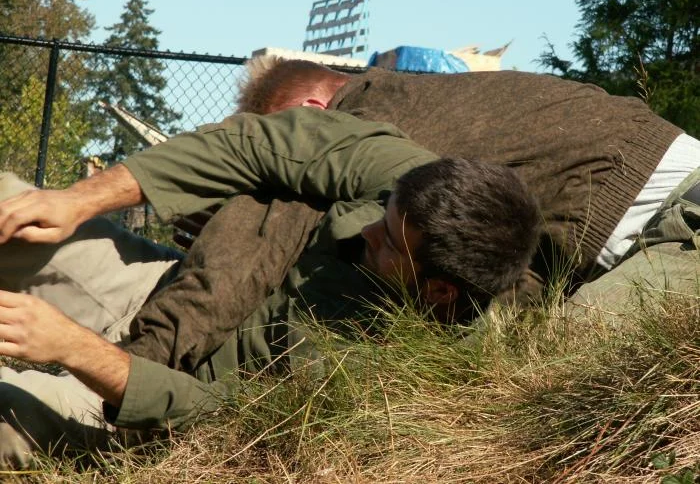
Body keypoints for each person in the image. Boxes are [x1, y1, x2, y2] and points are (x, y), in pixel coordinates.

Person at [0, 107, 540, 464]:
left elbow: (221, 417)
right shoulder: (410, 180)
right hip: (167, 294)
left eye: (388, 242)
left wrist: (73, 348)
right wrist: (80, 200)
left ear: (438, 292)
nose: (368, 228)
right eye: (384, 208)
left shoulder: (401, 384)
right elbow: (256, 143)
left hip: (145, 406)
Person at [235, 56, 700, 310]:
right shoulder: (419, 101)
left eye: (285, 137)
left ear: (314, 114)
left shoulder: (373, 117)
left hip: (684, 215)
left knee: (571, 364)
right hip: (636, 228)